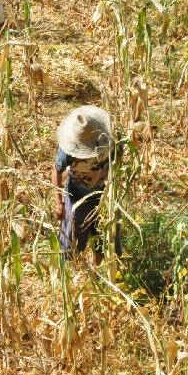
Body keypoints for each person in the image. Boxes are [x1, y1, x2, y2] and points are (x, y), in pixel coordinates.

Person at [51, 105, 122, 263]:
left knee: (107, 238)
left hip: (105, 194)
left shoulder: (110, 141)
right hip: (76, 195)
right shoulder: (68, 150)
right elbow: (56, 170)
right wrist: (59, 202)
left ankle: (100, 269)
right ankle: (72, 272)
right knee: (71, 241)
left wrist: (112, 187)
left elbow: (118, 164)